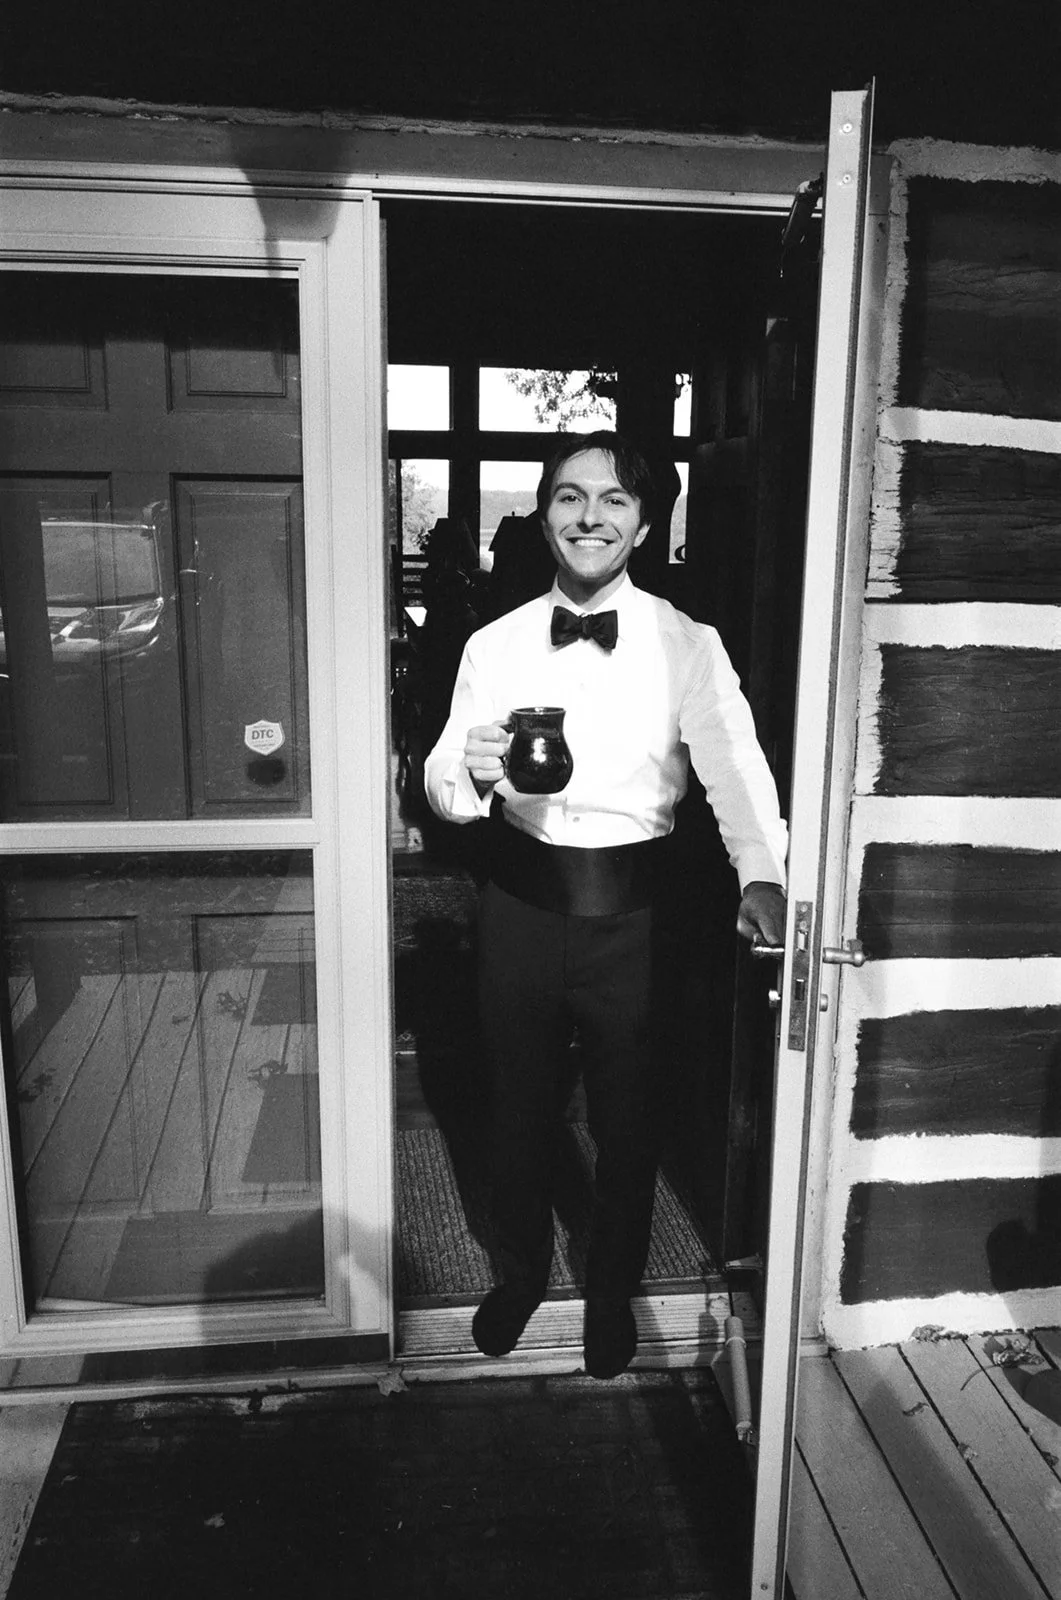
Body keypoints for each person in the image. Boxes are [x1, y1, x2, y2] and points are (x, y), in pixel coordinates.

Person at [424, 431, 787, 1379]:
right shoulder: (492, 644)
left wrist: (764, 874)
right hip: (520, 904)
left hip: (637, 916)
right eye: (569, 497)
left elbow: (735, 769)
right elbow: (438, 777)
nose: (590, 517)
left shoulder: (686, 645)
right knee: (515, 1107)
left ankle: (612, 1290)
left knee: (629, 1121)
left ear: (644, 519)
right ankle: (517, 1274)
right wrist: (463, 776)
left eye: (613, 500)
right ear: (543, 514)